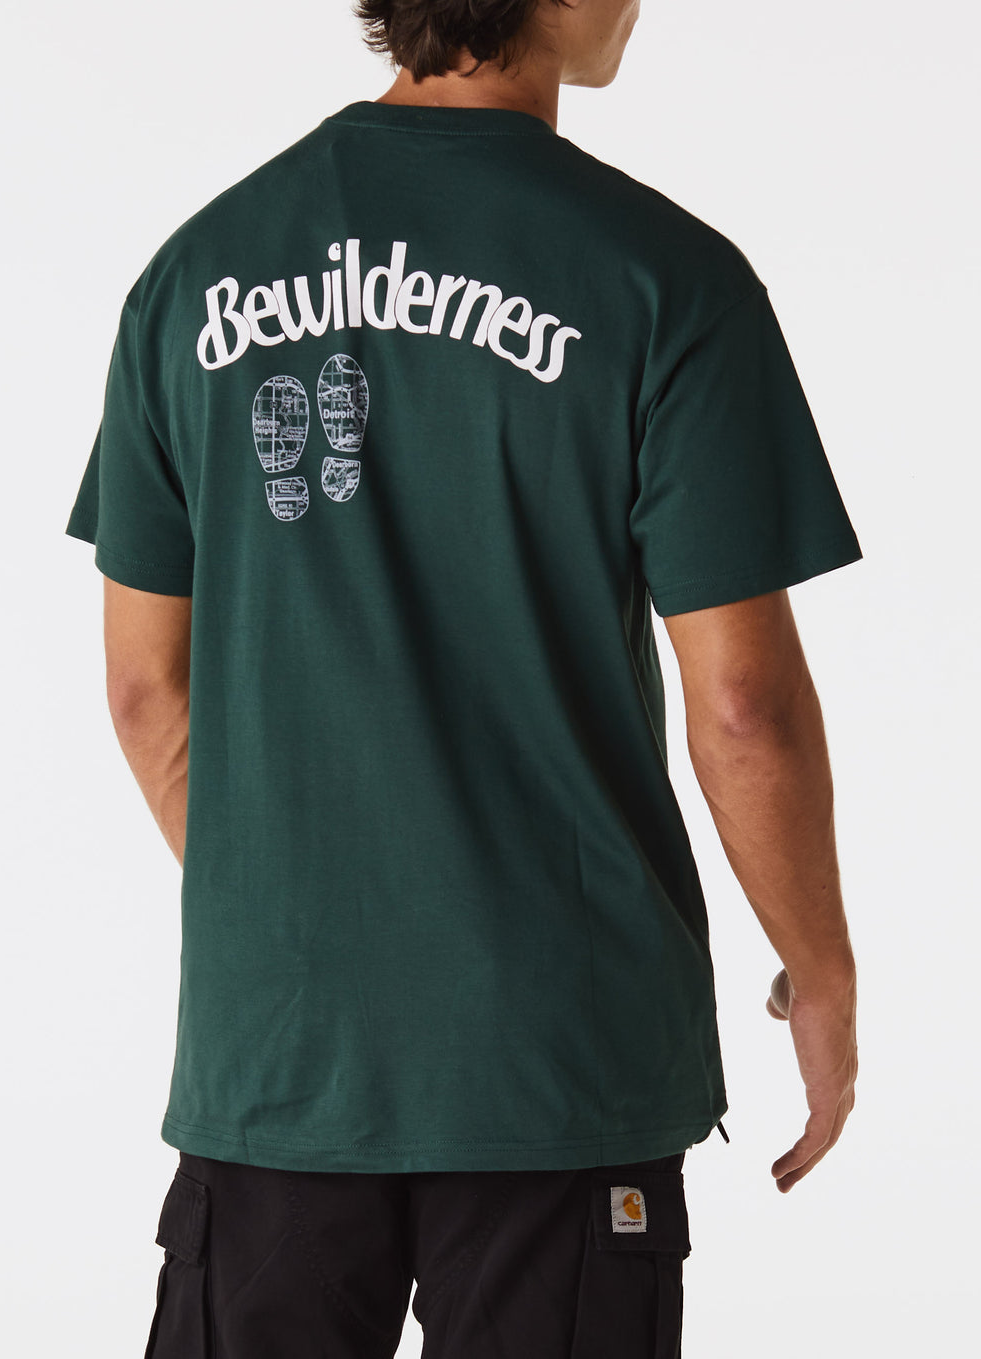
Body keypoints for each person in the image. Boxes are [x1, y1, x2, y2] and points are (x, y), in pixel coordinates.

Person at [64, 1, 861, 1354]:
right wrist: (820, 964)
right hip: (555, 1054)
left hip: (281, 1059)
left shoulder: (195, 274)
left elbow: (148, 689)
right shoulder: (664, 279)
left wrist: (314, 909)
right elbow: (745, 708)